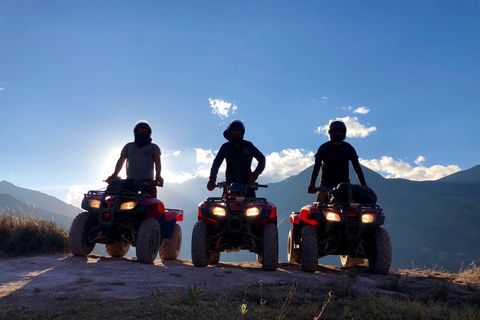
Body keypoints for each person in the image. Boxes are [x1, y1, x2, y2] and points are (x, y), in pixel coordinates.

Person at [207, 119, 266, 197]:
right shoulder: (225, 147)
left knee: (256, 207)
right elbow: (216, 163)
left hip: (248, 185)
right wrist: (212, 179)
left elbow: (262, 158)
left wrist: (256, 173)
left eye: (238, 131)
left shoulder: (248, 146)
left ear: (242, 132)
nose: (236, 133)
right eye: (234, 131)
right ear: (229, 132)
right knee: (222, 208)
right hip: (229, 186)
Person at [308, 120, 367, 196]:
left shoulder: (348, 148)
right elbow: (316, 167)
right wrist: (312, 183)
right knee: (321, 206)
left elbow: (357, 167)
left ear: (344, 132)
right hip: (326, 186)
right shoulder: (323, 148)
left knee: (347, 207)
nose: (337, 133)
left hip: (344, 187)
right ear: (330, 133)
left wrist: (364, 184)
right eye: (335, 131)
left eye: (340, 131)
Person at [107, 120, 163, 198]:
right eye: (140, 130)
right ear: (136, 132)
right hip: (130, 182)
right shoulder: (129, 146)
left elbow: (157, 162)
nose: (142, 132)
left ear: (149, 132)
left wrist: (158, 175)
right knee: (121, 202)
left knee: (151, 204)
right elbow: (121, 161)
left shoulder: (153, 147)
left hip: (148, 182)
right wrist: (115, 173)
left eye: (145, 130)